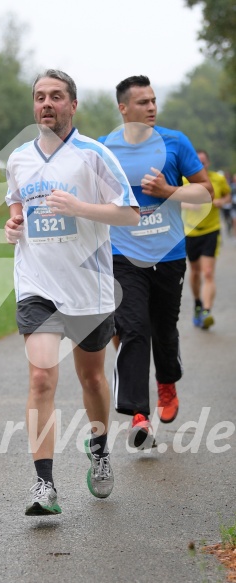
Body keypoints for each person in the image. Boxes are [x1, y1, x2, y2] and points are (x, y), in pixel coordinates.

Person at [5, 69, 139, 515]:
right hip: (37, 284)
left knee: (92, 378)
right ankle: (44, 486)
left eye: (56, 96)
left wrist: (81, 207)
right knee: (41, 377)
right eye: (40, 96)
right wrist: (13, 224)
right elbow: (18, 210)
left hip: (89, 286)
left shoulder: (94, 155)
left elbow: (130, 215)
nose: (46, 103)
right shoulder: (19, 158)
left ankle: (99, 448)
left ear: (72, 104)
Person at [98, 75, 213, 450]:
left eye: (153, 100)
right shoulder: (104, 149)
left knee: (163, 329)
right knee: (132, 328)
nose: (151, 107)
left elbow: (206, 190)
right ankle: (138, 414)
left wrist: (169, 191)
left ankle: (167, 382)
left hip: (168, 255)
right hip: (123, 255)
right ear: (123, 108)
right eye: (143, 102)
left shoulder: (175, 142)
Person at [183, 150, 231, 329]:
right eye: (198, 162)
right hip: (191, 232)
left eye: (204, 162)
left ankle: (206, 312)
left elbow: (226, 195)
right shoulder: (185, 181)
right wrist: (190, 204)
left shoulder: (217, 180)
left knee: (208, 272)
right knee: (194, 273)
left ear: (208, 163)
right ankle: (197, 303)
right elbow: (174, 199)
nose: (201, 166)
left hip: (211, 231)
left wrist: (221, 201)